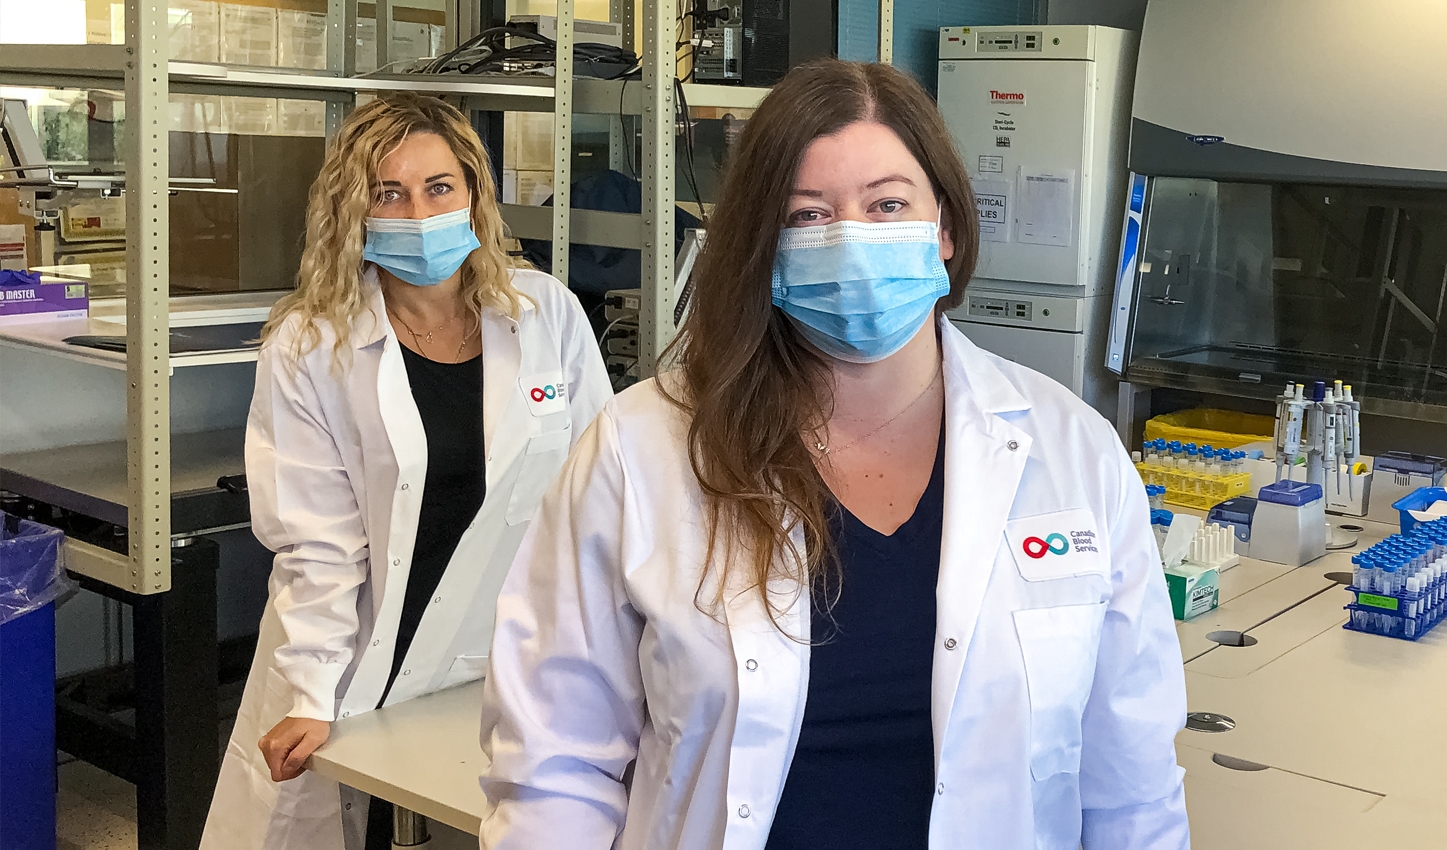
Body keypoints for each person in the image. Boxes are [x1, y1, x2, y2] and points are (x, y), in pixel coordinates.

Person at [480, 59, 1189, 849]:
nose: (854, 240)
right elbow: (551, 766)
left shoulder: (1074, 451)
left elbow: (1132, 788)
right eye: (809, 217)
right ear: (763, 247)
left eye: (889, 204)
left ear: (946, 229)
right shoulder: (640, 447)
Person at [202, 93, 613, 850]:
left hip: (499, 651)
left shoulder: (546, 312)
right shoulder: (308, 344)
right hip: (357, 647)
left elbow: (598, 492)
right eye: (388, 193)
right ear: (353, 210)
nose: (417, 213)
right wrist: (310, 689)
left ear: (475, 195)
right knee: (309, 823)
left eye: (438, 187)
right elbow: (316, 543)